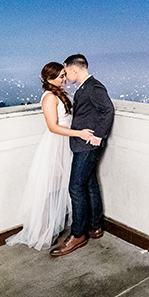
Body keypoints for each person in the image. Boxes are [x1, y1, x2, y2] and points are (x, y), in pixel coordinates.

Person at [6, 62, 97, 251]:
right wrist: (79, 133)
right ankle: (43, 230)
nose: (64, 79)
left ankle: (63, 227)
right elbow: (53, 127)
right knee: (51, 188)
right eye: (59, 76)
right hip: (56, 145)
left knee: (66, 185)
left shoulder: (60, 94)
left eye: (64, 75)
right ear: (48, 79)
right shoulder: (49, 97)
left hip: (67, 144)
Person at [50, 53, 115, 257]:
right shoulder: (85, 87)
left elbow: (108, 110)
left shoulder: (94, 87)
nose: (66, 74)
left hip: (86, 146)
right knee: (90, 184)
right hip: (83, 144)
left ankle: (78, 235)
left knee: (75, 187)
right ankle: (94, 227)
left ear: (75, 69)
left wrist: (97, 137)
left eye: (66, 71)